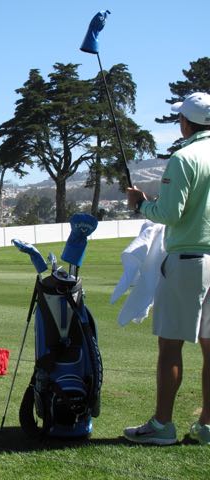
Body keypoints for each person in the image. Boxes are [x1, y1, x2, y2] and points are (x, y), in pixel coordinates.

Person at [125, 91, 210, 445]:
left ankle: (162, 425)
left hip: (189, 260)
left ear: (186, 123)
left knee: (170, 345)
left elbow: (170, 214)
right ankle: (207, 426)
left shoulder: (183, 157)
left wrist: (141, 205)